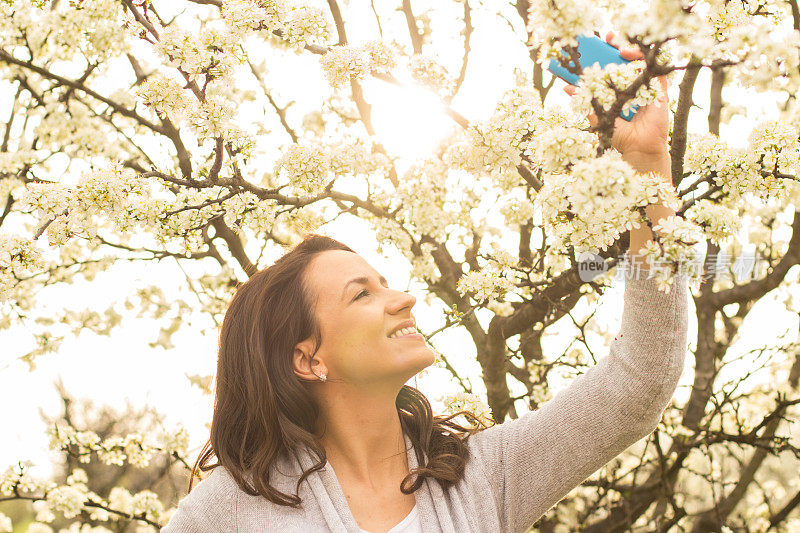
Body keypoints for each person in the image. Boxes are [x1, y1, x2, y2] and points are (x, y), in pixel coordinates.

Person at [161, 33, 689, 533]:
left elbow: (641, 379)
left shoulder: (485, 476)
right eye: (362, 294)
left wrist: (646, 165)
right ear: (308, 359)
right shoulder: (229, 512)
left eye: (385, 283)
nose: (405, 299)